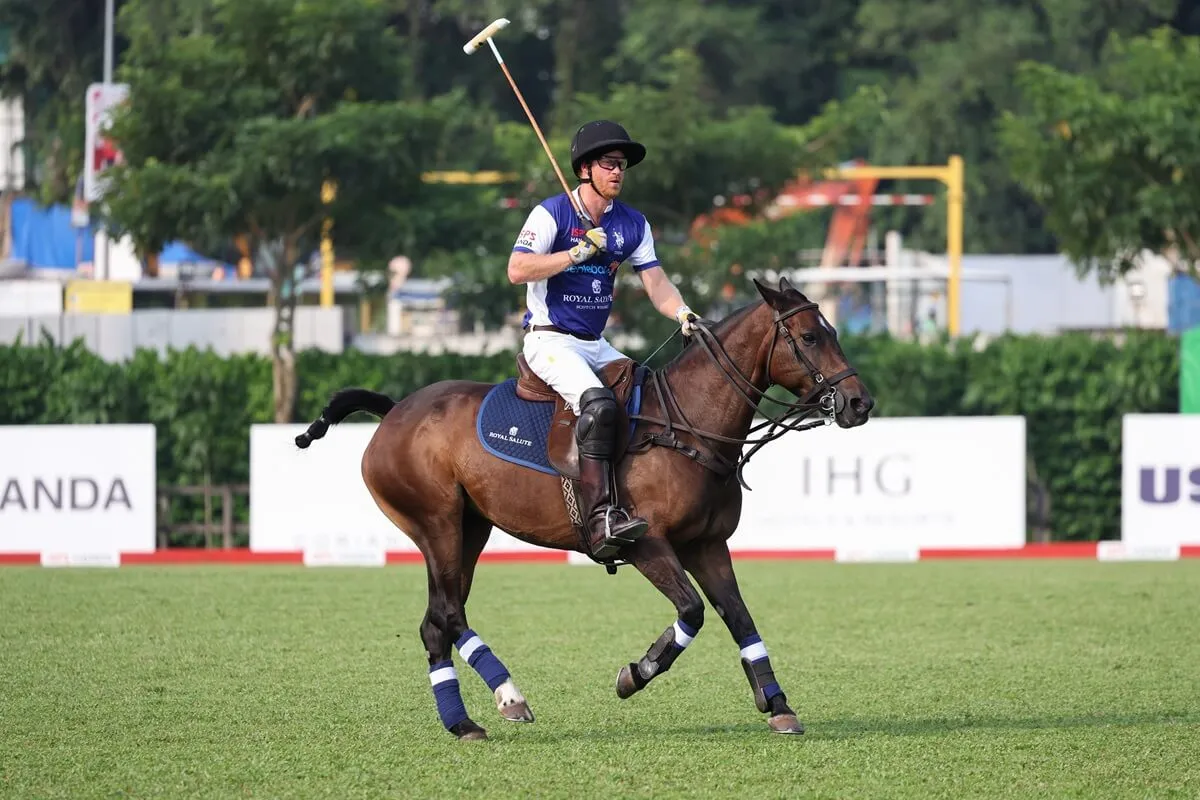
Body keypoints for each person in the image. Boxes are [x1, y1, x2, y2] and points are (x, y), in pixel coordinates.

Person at [507, 119, 700, 561]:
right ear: (584, 170)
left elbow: (656, 283)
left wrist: (683, 312)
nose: (618, 172)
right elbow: (517, 270)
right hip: (549, 339)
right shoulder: (551, 213)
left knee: (651, 395)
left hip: (596, 342)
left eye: (622, 166)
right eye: (609, 164)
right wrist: (574, 253)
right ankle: (600, 517)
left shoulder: (632, 224)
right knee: (597, 403)